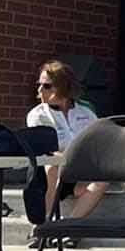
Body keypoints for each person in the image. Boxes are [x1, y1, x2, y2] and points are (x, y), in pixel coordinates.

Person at [27, 59, 106, 221]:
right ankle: (45, 222)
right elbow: (44, 149)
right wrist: (66, 159)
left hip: (77, 174)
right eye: (39, 85)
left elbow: (98, 143)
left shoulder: (86, 113)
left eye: (47, 86)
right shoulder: (38, 115)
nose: (40, 90)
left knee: (102, 180)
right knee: (51, 165)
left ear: (63, 87)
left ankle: (69, 226)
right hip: (49, 175)